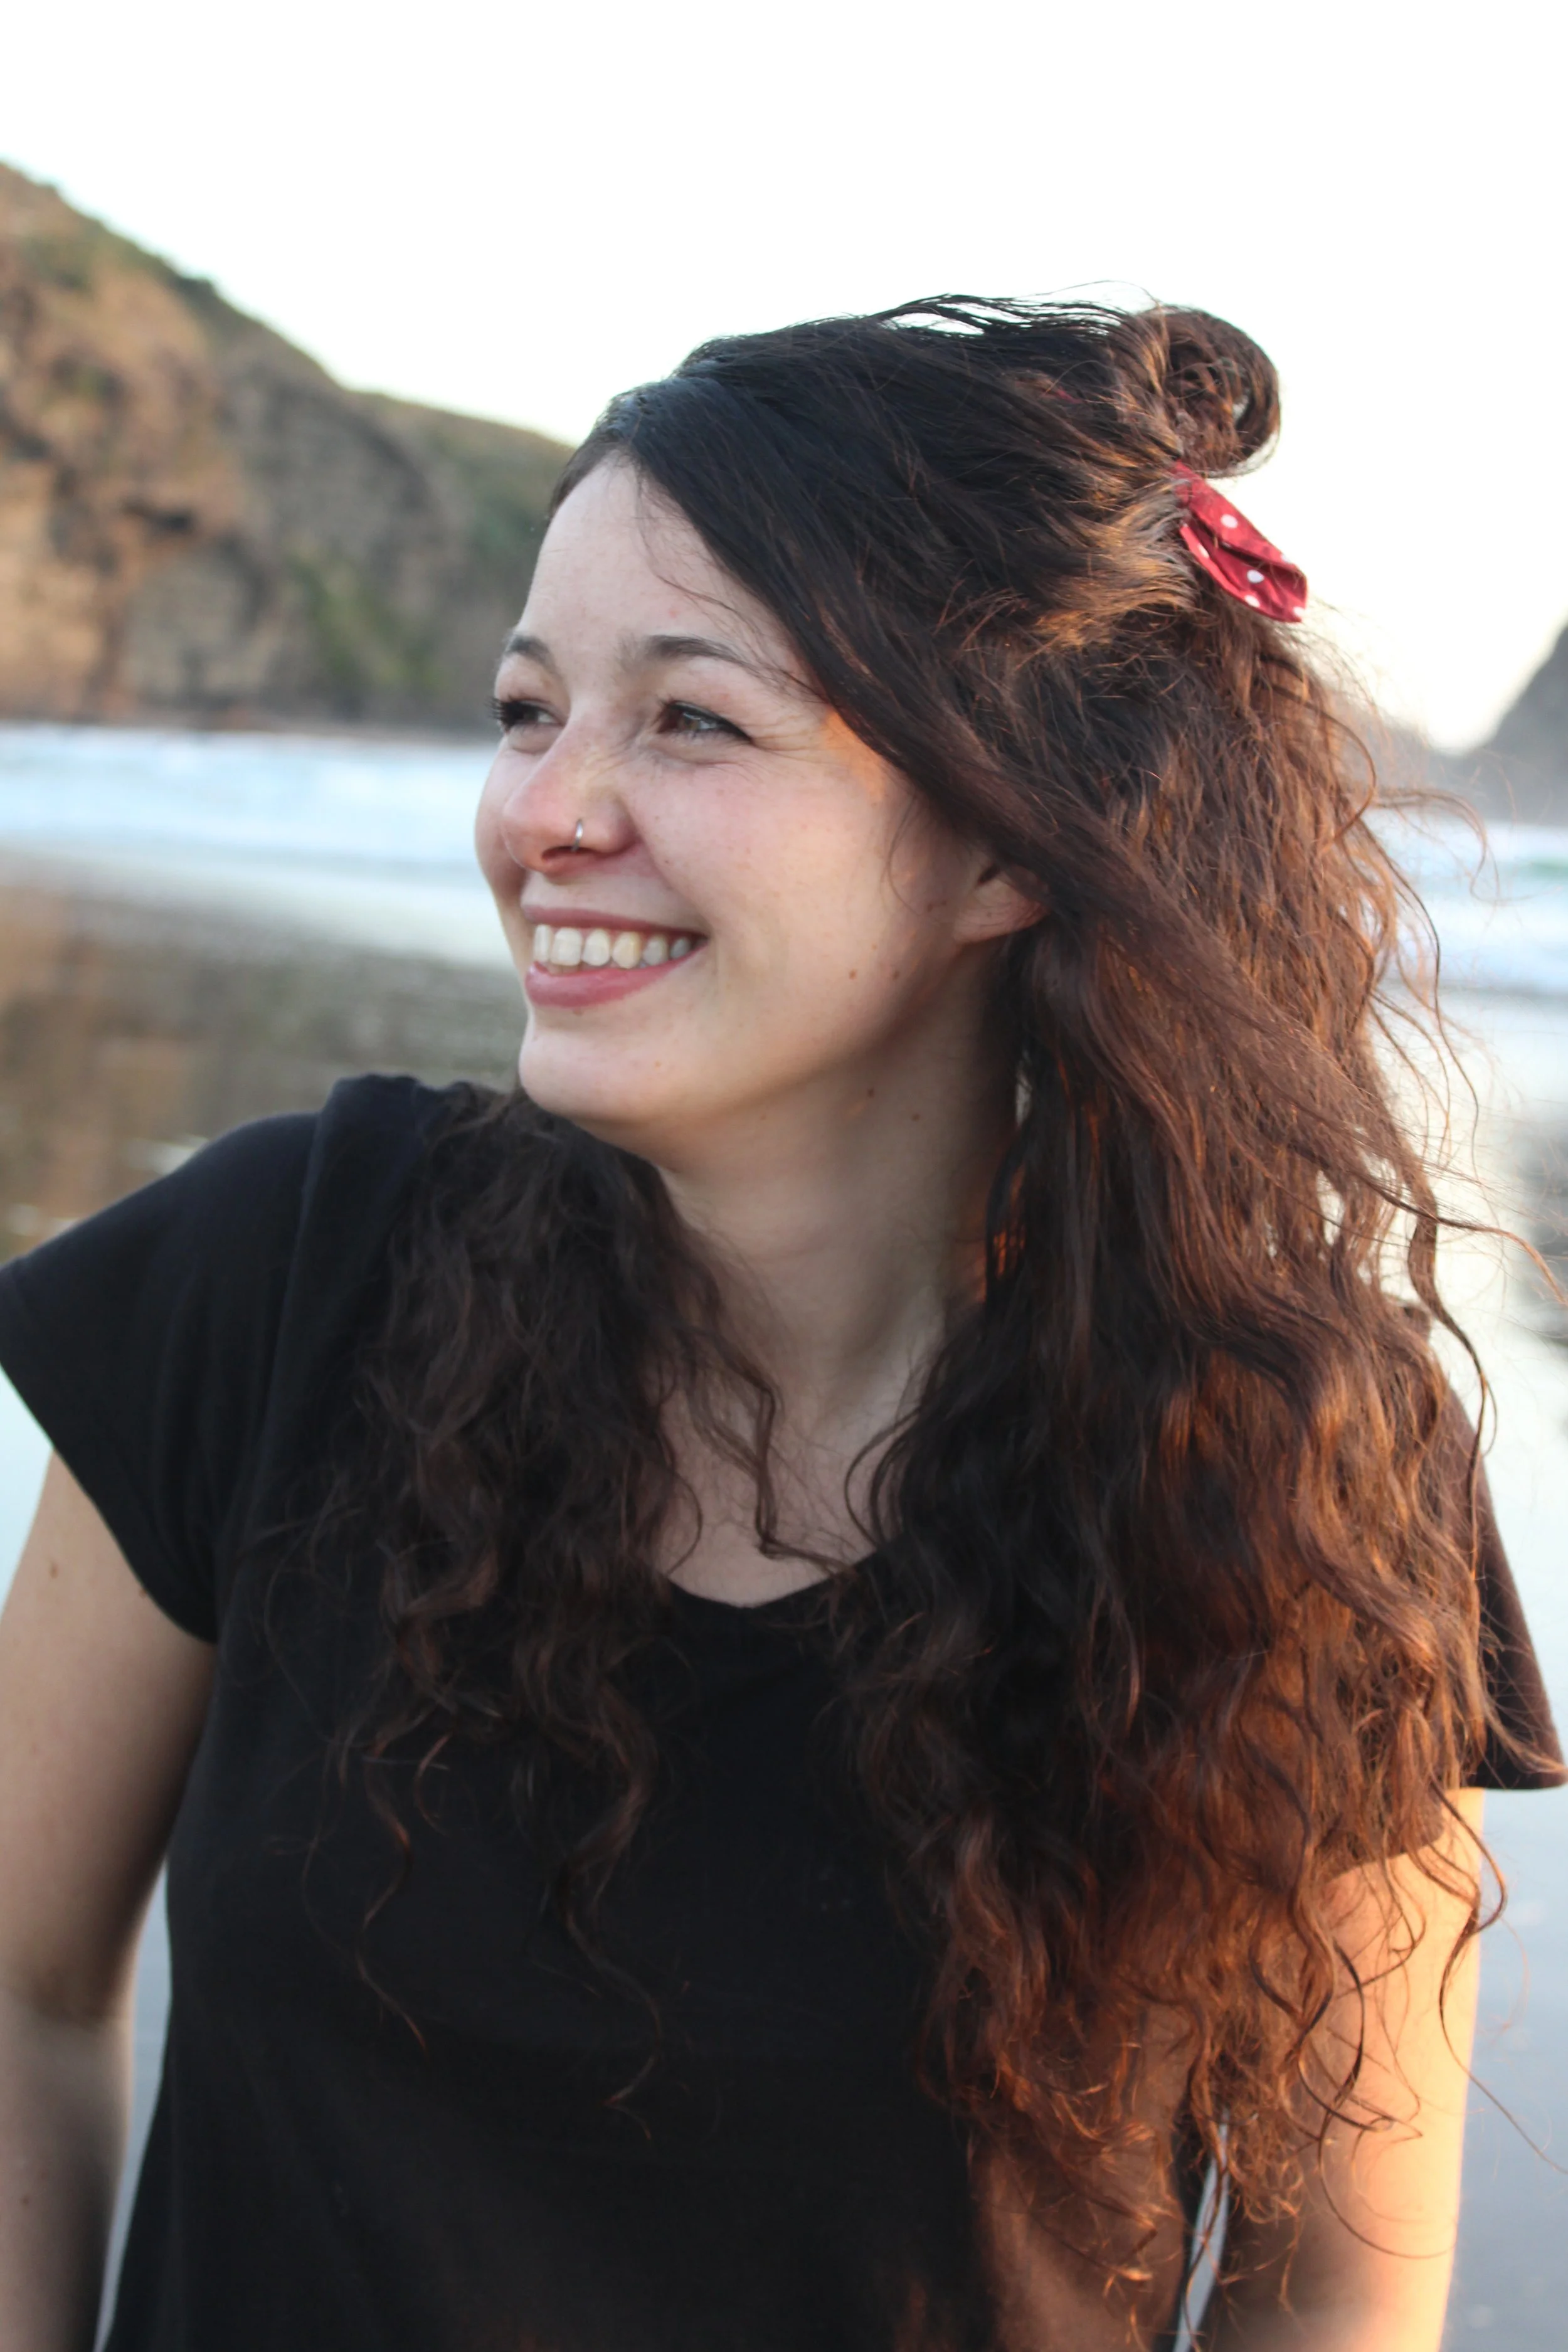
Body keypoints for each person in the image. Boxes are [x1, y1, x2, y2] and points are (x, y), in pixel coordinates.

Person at [0, 297, 1559, 2352]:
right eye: (522, 707)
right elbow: (19, 1981)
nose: (546, 811)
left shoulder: (1282, 1463)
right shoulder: (280, 1277)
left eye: (691, 721)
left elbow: (1331, 2282)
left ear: (1009, 832)